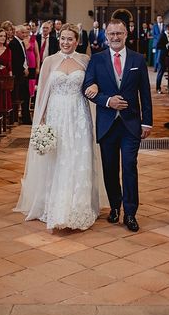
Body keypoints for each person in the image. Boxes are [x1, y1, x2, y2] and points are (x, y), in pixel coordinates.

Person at [14, 24, 106, 230]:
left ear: (77, 41)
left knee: (78, 156)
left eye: (70, 39)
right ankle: (52, 202)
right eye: (63, 38)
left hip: (79, 115)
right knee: (56, 156)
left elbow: (93, 83)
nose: (66, 42)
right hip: (55, 113)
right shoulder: (49, 61)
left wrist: (95, 86)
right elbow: (43, 92)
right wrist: (41, 119)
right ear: (59, 38)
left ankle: (78, 204)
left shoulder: (85, 60)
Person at [83, 19, 153, 232]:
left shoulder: (138, 59)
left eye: (119, 33)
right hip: (107, 124)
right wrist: (107, 100)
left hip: (131, 123)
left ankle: (130, 213)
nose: (115, 37)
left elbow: (145, 93)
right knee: (110, 168)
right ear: (106, 35)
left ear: (126, 35)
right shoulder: (96, 60)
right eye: (112, 34)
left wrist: (147, 122)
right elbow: (87, 86)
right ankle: (115, 206)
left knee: (130, 166)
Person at [10, 25, 32, 124]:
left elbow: (23, 57)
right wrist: (23, 69)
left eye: (26, 33)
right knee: (18, 97)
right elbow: (15, 60)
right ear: (16, 32)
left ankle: (26, 117)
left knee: (26, 96)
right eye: (22, 32)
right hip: (18, 74)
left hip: (23, 73)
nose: (25, 34)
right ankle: (18, 118)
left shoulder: (21, 42)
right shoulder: (13, 43)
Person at [24, 23, 40, 97]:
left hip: (32, 64)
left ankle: (31, 98)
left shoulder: (33, 39)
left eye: (28, 29)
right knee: (24, 82)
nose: (26, 30)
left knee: (31, 82)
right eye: (25, 28)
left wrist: (38, 67)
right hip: (24, 64)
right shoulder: (20, 40)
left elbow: (37, 55)